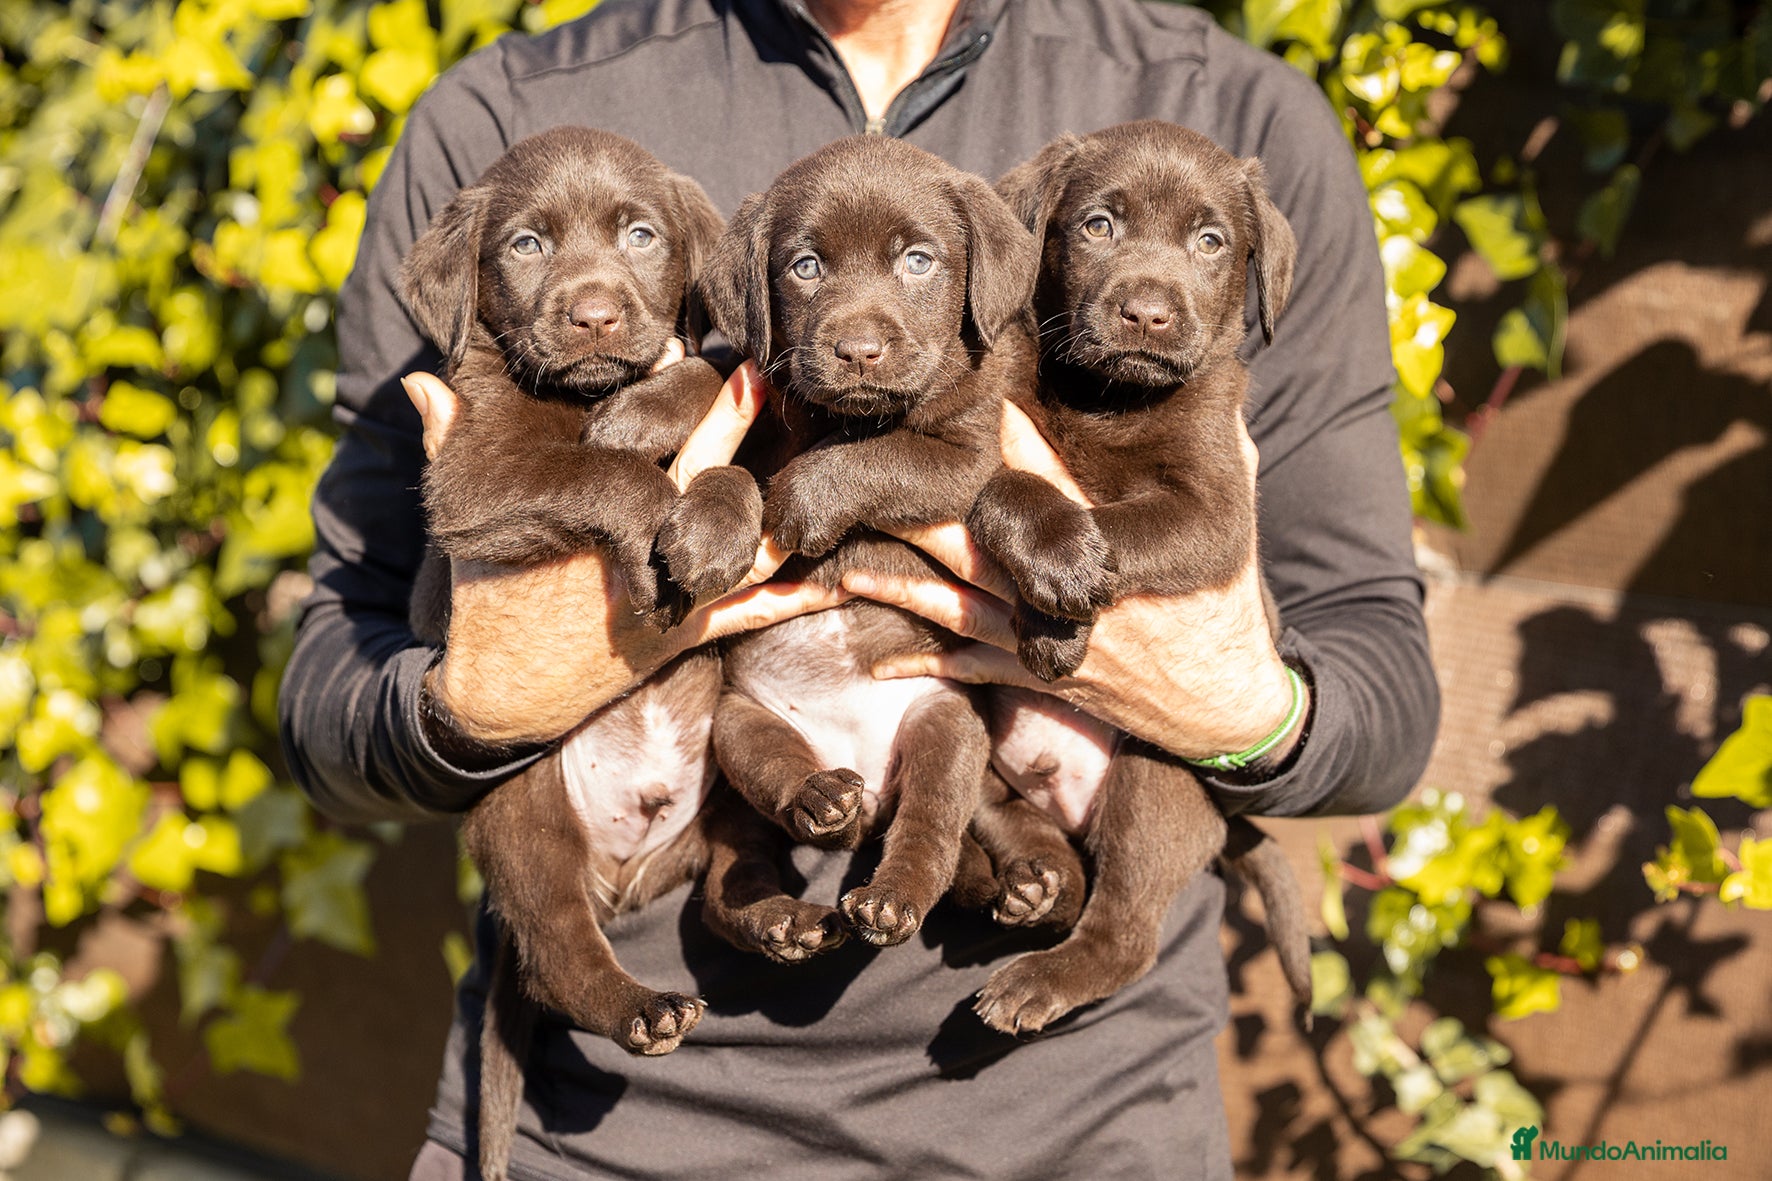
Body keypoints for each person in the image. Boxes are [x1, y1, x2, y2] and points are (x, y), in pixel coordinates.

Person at [278, 0, 1441, 1176]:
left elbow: (1384, 693)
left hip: (1085, 1133)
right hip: (602, 1135)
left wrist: (1234, 701)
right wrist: (476, 703)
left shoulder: (1237, 114)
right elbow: (330, 680)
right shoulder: (501, 113)